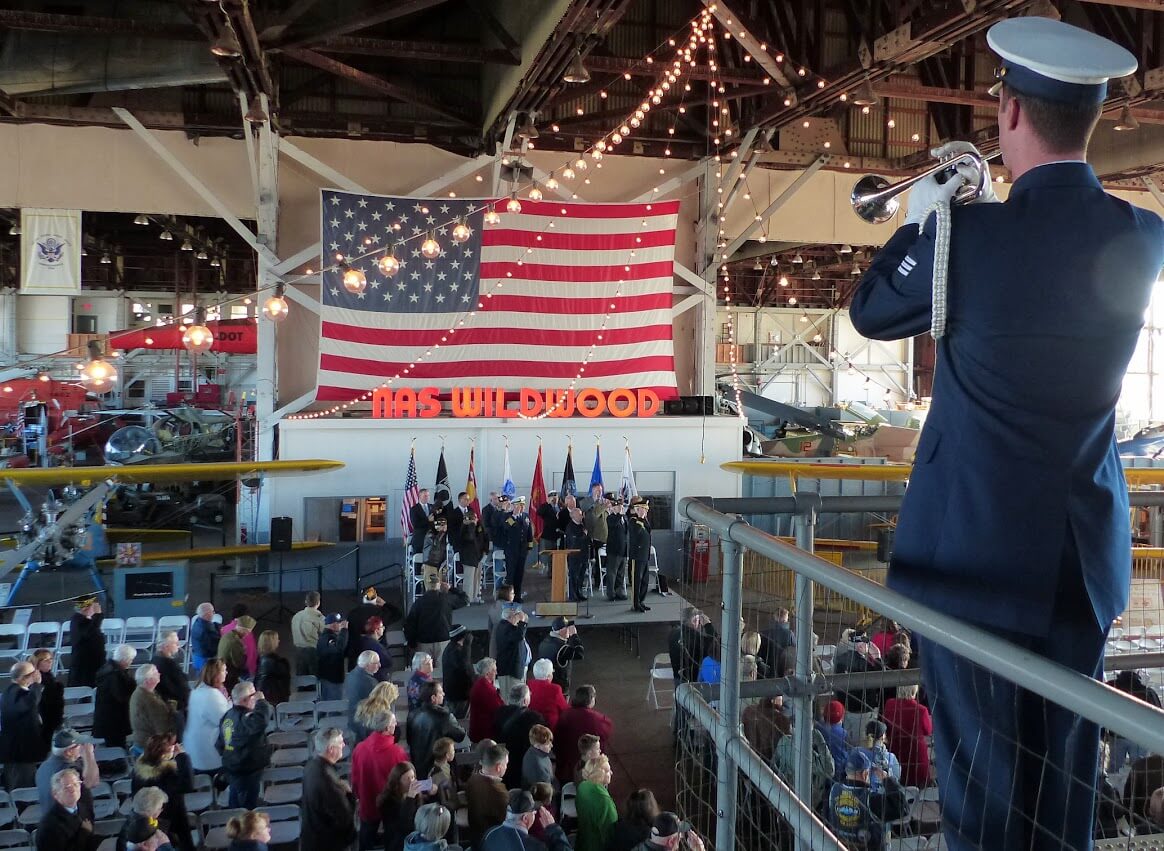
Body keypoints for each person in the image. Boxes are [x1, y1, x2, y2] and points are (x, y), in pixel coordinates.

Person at [847, 17, 1162, 851]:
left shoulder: (969, 238)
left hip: (971, 564)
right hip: (1080, 565)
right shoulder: (1141, 236)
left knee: (985, 795)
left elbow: (872, 310)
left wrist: (922, 223)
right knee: (1064, 788)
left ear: (1010, 114)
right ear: (1090, 122)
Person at [827, 750, 909, 851]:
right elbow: (903, 808)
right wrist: (887, 780)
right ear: (865, 774)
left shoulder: (833, 790)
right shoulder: (871, 799)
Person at [352, 709, 408, 849]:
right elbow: (404, 781)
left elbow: (355, 777)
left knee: (366, 836)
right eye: (394, 722)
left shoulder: (359, 748)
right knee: (392, 837)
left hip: (368, 800)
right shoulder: (397, 753)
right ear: (388, 728)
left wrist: (359, 796)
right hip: (391, 804)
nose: (396, 724)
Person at [131, 733, 195, 851]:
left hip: (149, 818)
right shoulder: (167, 773)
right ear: (164, 754)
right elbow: (187, 785)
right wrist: (182, 757)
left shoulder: (139, 771)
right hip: (173, 816)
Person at [216, 681, 273, 808]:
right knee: (245, 805)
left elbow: (220, 744)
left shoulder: (228, 715)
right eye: (254, 694)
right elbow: (261, 721)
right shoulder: (245, 718)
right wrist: (261, 702)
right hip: (246, 768)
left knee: (236, 798)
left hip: (234, 765)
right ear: (246, 699)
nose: (257, 696)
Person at [302, 727, 358, 851]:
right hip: (328, 842)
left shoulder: (311, 765)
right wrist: (349, 795)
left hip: (312, 835)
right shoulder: (328, 780)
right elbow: (344, 817)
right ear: (331, 749)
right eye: (340, 742)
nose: (344, 745)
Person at [35, 728, 99, 822]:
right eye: (80, 745)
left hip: (51, 822)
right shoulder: (69, 772)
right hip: (71, 824)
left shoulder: (43, 767)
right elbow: (92, 782)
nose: (84, 747)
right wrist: (89, 755)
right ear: (69, 752)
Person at [553, 685, 613, 785]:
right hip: (590, 768)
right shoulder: (598, 719)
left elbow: (557, 739)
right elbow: (607, 731)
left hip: (566, 767)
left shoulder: (565, 715)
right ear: (591, 699)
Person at [407, 680, 467, 778]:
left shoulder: (412, 715)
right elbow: (460, 735)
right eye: (440, 692)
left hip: (417, 765)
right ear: (433, 698)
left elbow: (409, 740)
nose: (443, 694)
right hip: (437, 767)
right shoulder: (444, 716)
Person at [478, 789, 571, 851]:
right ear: (525, 818)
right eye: (534, 812)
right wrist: (555, 831)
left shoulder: (489, 833)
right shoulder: (534, 846)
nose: (535, 814)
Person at [0, 660, 45, 789]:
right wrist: (37, 684)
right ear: (22, 677)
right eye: (32, 673)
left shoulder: (14, 692)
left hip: (22, 749)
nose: (36, 675)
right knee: (21, 787)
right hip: (19, 751)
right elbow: (29, 704)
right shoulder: (14, 693)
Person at [183, 658, 231, 773]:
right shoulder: (212, 696)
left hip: (194, 747)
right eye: (224, 670)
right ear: (216, 675)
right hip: (207, 749)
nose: (226, 673)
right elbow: (225, 721)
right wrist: (231, 705)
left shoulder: (198, 690)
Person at [494, 683, 546, 788]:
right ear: (525, 701)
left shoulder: (499, 713)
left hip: (503, 761)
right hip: (524, 764)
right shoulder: (534, 718)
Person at [35, 768, 101, 851]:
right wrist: (84, 833)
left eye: (76, 784)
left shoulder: (84, 809)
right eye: (67, 787)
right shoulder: (49, 825)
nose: (73, 790)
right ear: (55, 794)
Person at [881, 684, 932, 788]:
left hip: (896, 754)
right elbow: (928, 731)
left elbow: (885, 724)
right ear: (915, 691)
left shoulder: (889, 704)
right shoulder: (922, 710)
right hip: (917, 758)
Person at [93, 644, 136, 748]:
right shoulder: (115, 675)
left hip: (107, 719)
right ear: (124, 660)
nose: (131, 662)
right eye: (131, 660)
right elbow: (121, 697)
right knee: (116, 748)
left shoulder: (108, 669)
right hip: (114, 721)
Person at [467, 743, 510, 845]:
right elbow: (506, 821)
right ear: (498, 767)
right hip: (491, 840)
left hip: (474, 834)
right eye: (506, 764)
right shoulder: (498, 792)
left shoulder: (473, 778)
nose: (506, 767)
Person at [130, 664, 179, 752]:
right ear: (148, 681)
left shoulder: (139, 692)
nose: (159, 674)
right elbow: (162, 729)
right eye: (156, 673)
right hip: (151, 746)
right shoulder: (150, 701)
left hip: (140, 739)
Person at [450, 491, 488, 604]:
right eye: (465, 499)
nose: (468, 501)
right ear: (460, 500)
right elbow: (454, 533)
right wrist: (465, 524)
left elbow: (481, 531)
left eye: (468, 499)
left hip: (477, 549)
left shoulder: (471, 511)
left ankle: (476, 596)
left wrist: (475, 524)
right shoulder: (454, 513)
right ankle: (467, 598)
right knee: (469, 576)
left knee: (477, 575)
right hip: (465, 548)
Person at [378, 761, 426, 851]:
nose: (411, 781)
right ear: (398, 781)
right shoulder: (388, 801)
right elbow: (403, 825)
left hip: (414, 838)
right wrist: (410, 797)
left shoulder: (415, 795)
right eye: (407, 779)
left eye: (412, 777)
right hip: (397, 842)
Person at [575, 755, 617, 851]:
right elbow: (610, 833)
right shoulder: (605, 802)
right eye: (607, 771)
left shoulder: (582, 786)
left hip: (582, 840)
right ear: (599, 775)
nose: (611, 773)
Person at [498, 496, 534, 602]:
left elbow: (529, 533)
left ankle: (517, 595)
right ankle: (508, 595)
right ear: (514, 506)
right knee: (511, 574)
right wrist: (513, 517)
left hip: (522, 551)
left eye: (523, 505)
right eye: (519, 505)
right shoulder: (508, 516)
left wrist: (529, 546)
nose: (522, 508)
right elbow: (506, 527)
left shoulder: (526, 516)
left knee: (519, 574)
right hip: (511, 551)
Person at [668, 608, 716, 686]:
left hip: (678, 677)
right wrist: (708, 625)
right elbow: (714, 646)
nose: (699, 624)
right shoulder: (695, 637)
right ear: (693, 621)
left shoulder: (673, 633)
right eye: (698, 620)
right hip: (693, 680)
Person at [741, 693, 792, 763]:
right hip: (771, 764)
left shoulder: (748, 711)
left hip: (749, 757)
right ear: (774, 700)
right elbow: (786, 746)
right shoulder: (782, 720)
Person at [536, 617, 584, 690]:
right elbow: (580, 653)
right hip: (560, 687)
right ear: (562, 630)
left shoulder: (544, 642)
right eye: (568, 628)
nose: (569, 630)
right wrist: (574, 635)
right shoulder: (562, 648)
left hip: (546, 684)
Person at [494, 603, 530, 698]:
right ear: (511, 617)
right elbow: (519, 636)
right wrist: (522, 622)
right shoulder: (506, 628)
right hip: (511, 672)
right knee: (514, 698)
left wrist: (523, 621)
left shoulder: (504, 626)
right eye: (517, 616)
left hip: (508, 670)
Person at [68, 596, 106, 687]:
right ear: (86, 608)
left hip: (92, 661)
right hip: (85, 664)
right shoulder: (79, 620)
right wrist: (98, 615)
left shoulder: (84, 620)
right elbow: (90, 632)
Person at [347, 588, 387, 669]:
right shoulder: (381, 612)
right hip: (376, 649)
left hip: (356, 648)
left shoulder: (353, 613)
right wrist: (385, 604)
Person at [857, 719, 902, 790]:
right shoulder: (891, 757)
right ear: (882, 737)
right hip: (884, 796)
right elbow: (896, 778)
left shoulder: (856, 753)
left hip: (861, 795)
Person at [32, 649, 64, 749]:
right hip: (43, 717)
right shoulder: (37, 677)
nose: (50, 662)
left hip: (51, 715)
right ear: (38, 663)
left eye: (51, 659)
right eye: (46, 660)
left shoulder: (49, 676)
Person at [152, 631, 190, 713]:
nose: (178, 646)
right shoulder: (169, 665)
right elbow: (180, 689)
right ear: (166, 646)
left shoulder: (154, 660)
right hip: (175, 707)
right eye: (175, 643)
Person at [469, 658, 506, 743]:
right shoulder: (485, 688)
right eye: (494, 670)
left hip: (480, 727)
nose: (496, 673)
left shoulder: (481, 683)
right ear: (487, 673)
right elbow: (498, 709)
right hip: (485, 732)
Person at [441, 626, 474, 718]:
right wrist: (467, 646)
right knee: (461, 720)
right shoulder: (456, 652)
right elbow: (465, 666)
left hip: (453, 694)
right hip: (459, 695)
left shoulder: (450, 648)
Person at [626, 496, 652, 612]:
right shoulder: (633, 520)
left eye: (646, 509)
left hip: (644, 555)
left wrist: (643, 519)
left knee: (645, 581)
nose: (646, 511)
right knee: (637, 581)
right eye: (644, 509)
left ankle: (641, 601)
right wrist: (640, 518)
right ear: (638, 509)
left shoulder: (644, 521)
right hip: (637, 555)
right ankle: (635, 604)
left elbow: (648, 531)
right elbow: (636, 532)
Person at [527, 659, 568, 730]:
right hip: (549, 729)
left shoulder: (528, 685)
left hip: (530, 726)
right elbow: (564, 709)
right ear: (549, 676)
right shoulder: (555, 689)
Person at [629, 812, 705, 851]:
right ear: (671, 842)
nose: (681, 837)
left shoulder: (639, 847)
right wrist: (700, 850)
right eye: (679, 835)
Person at [217, 614, 255, 691]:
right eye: (248, 632)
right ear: (243, 630)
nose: (247, 634)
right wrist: (244, 653)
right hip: (230, 674)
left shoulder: (227, 635)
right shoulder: (235, 642)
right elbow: (238, 663)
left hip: (222, 668)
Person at [291, 591, 325, 675]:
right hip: (313, 651)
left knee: (301, 679)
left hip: (298, 651)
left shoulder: (296, 616)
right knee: (315, 679)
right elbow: (325, 633)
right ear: (318, 603)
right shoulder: (319, 618)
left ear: (306, 602)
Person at [317, 612, 350, 699]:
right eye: (339, 623)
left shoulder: (324, 636)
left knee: (325, 705)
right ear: (334, 624)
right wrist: (344, 630)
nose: (340, 625)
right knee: (335, 707)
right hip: (332, 678)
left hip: (326, 676)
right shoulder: (328, 638)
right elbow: (339, 648)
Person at [253, 630, 291, 706]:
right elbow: (285, 683)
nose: (279, 641)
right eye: (277, 639)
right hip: (276, 699)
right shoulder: (279, 663)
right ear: (272, 643)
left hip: (262, 696)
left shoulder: (260, 660)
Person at [220, 606, 258, 679]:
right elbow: (251, 651)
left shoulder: (224, 629)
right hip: (241, 669)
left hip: (226, 667)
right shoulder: (246, 633)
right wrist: (253, 667)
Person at [603, 495, 629, 601]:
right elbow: (613, 525)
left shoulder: (623, 518)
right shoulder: (611, 518)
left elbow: (626, 531)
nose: (620, 509)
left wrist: (622, 516)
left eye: (621, 507)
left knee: (621, 574)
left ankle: (620, 591)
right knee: (612, 573)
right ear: (613, 508)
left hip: (623, 550)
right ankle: (611, 593)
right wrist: (618, 515)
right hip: (614, 550)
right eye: (618, 507)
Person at [816, 699, 850, 780]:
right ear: (842, 716)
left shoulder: (817, 729)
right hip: (839, 772)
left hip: (820, 770)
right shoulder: (844, 734)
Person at [582, 487, 609, 588]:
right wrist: (603, 506)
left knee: (606, 562)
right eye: (597, 490)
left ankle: (605, 581)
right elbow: (594, 514)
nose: (600, 492)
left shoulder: (604, 502)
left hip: (606, 537)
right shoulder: (588, 501)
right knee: (599, 562)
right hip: (597, 537)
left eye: (601, 490)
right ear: (592, 490)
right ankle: (598, 582)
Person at [562, 506, 590, 602]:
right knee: (574, 576)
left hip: (583, 554)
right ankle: (573, 595)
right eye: (579, 514)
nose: (581, 516)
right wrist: (584, 535)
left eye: (581, 514)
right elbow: (575, 541)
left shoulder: (582, 525)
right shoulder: (570, 527)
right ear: (573, 516)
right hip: (574, 555)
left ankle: (579, 593)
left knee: (581, 576)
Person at [354, 616, 394, 681]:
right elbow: (388, 661)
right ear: (376, 630)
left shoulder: (363, 641)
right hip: (378, 678)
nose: (384, 628)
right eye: (382, 627)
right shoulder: (374, 645)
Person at [347, 649, 382, 721]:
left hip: (352, 718)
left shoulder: (351, 674)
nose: (379, 665)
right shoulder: (370, 682)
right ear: (367, 665)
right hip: (364, 722)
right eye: (376, 663)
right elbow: (377, 705)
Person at [760, 608, 795, 677]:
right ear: (785, 619)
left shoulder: (764, 633)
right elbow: (794, 651)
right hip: (784, 670)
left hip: (767, 670)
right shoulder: (789, 634)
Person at [521, 724, 554, 789]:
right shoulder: (537, 763)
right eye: (547, 744)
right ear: (537, 745)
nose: (551, 745)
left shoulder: (534, 752)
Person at [190, 602, 220, 673]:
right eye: (212, 611)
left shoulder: (198, 622)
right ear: (207, 613)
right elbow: (215, 646)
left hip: (197, 657)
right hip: (205, 661)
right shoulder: (206, 629)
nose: (214, 613)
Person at [410, 488, 434, 557]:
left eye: (428, 496)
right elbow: (415, 524)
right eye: (425, 496)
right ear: (419, 496)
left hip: (432, 539)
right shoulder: (414, 509)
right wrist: (427, 520)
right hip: (420, 540)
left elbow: (435, 522)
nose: (427, 497)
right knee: (419, 561)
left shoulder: (432, 507)